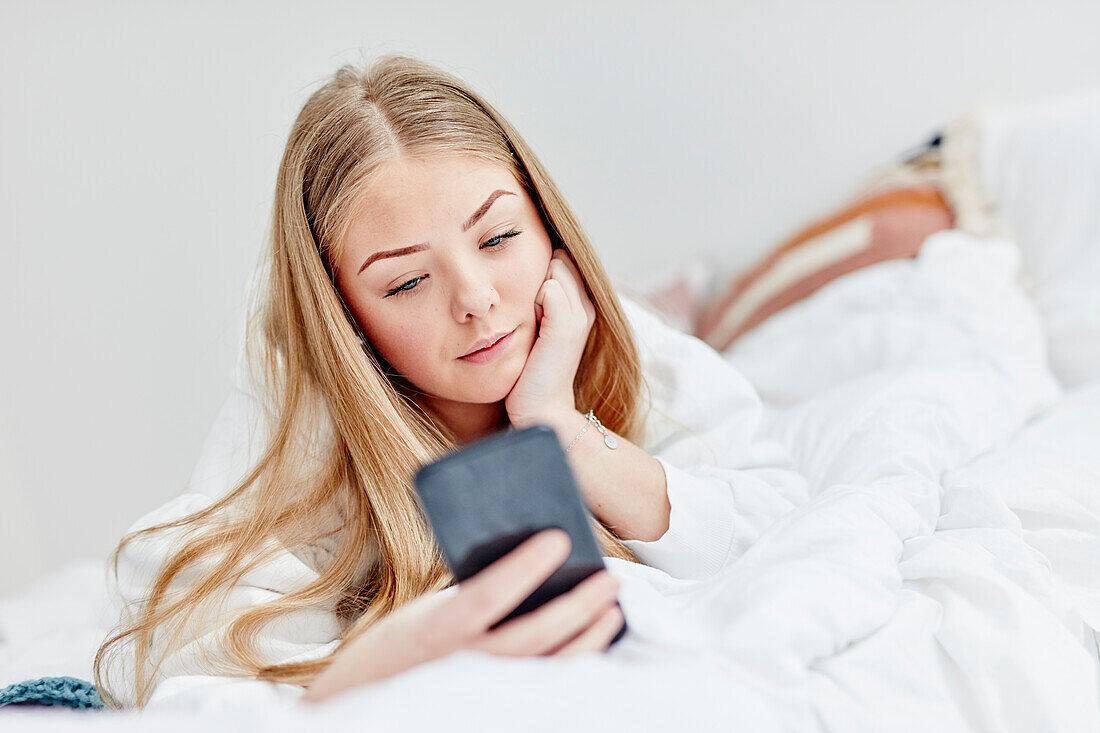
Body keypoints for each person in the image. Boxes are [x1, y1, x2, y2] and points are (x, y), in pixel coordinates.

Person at [93, 54, 807, 710]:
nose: (476, 298)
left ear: (546, 223)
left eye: (498, 238)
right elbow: (198, 680)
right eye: (406, 282)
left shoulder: (608, 339)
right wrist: (395, 655)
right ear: (346, 317)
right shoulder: (295, 429)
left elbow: (770, 523)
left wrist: (558, 421)